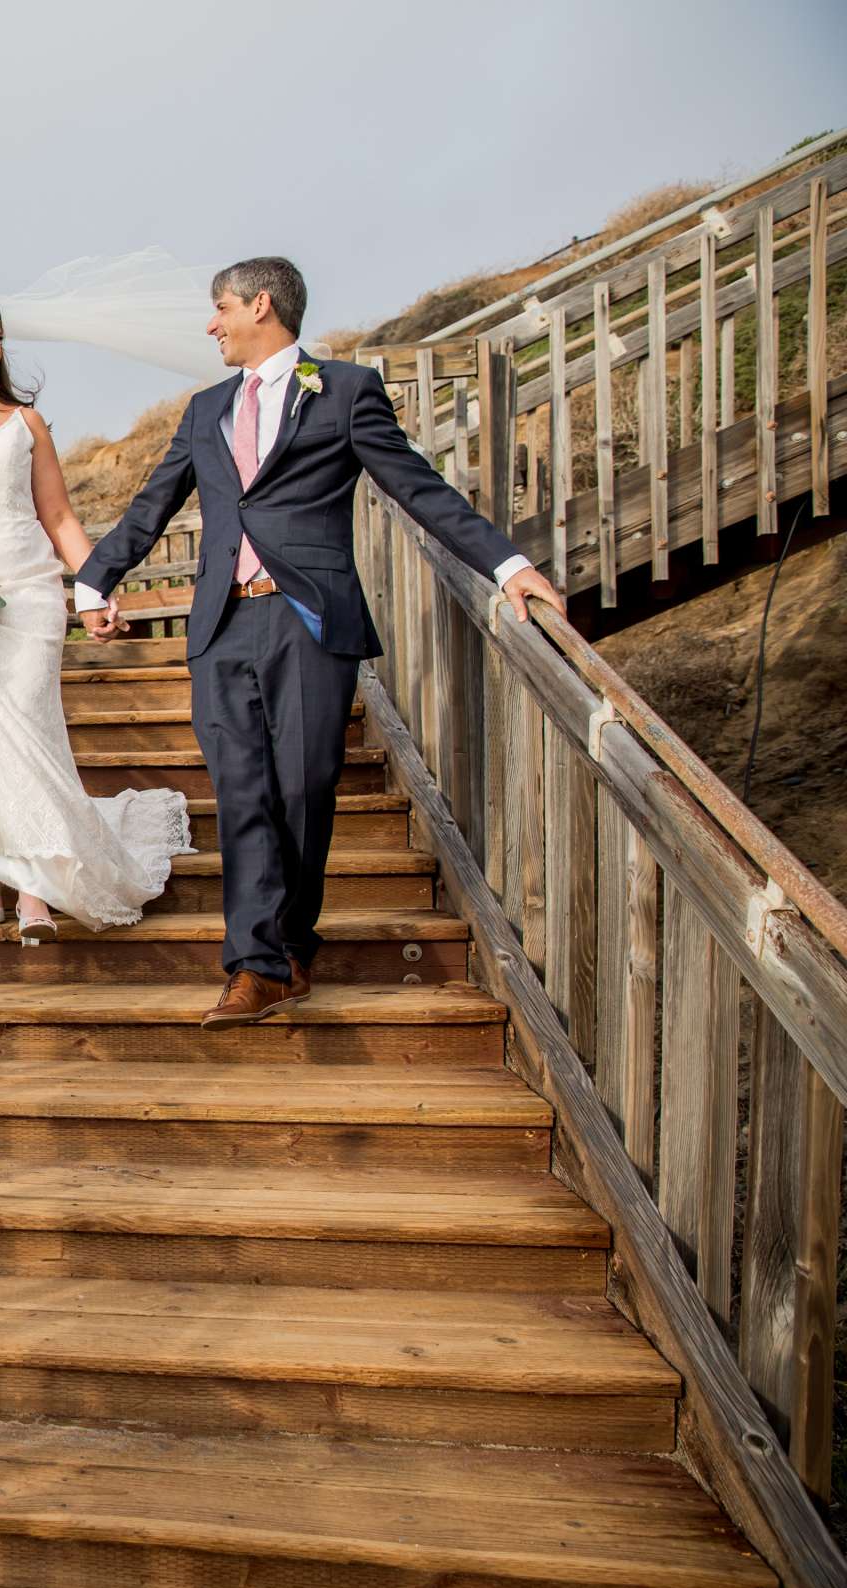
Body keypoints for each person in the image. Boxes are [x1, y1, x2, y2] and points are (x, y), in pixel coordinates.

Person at [75, 256, 566, 1027]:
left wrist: (508, 566)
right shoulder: (205, 408)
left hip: (306, 621)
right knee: (241, 796)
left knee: (302, 792)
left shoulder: (342, 391)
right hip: (222, 625)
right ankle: (255, 966)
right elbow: (152, 504)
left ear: (260, 305)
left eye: (221, 308)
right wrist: (92, 580)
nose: (212, 324)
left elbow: (417, 486)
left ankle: (292, 944)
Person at [0, 292, 194, 943]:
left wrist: (96, 589)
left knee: (28, 730)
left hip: (25, 595)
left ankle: (38, 884)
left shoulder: (27, 423)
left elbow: (60, 519)